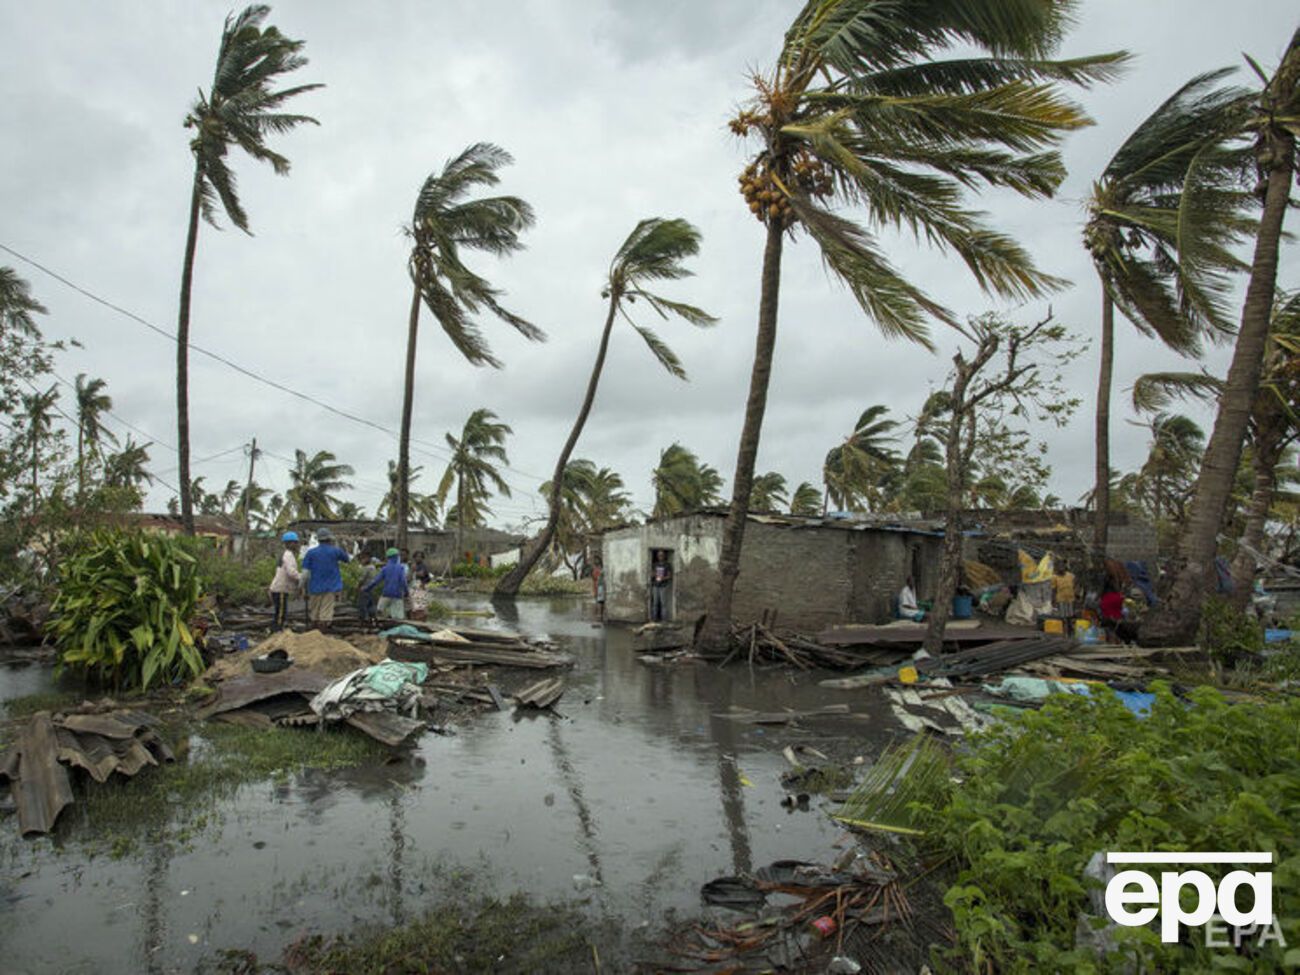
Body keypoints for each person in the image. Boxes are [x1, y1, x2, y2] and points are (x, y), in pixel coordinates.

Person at [301, 527, 351, 630]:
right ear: (330, 539)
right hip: (330, 587)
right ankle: (322, 634)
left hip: (314, 587)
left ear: (318, 539)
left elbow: (305, 573)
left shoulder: (311, 553)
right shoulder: (335, 551)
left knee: (314, 612)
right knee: (325, 613)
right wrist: (342, 546)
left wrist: (301, 586)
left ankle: (313, 633)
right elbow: (347, 559)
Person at [363, 547, 408, 621]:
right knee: (398, 617)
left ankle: (378, 625)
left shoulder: (385, 569)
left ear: (388, 558)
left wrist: (367, 588)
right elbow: (403, 581)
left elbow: (376, 581)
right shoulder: (400, 568)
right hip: (397, 595)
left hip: (386, 593)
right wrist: (406, 592)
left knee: (379, 611)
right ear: (396, 557)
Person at [268, 531, 301, 630]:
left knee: (280, 612)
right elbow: (291, 572)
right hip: (281, 589)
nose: (296, 545)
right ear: (288, 543)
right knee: (280, 614)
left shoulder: (286, 554)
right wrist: (302, 577)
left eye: (296, 542)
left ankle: (276, 630)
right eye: (294, 542)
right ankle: (276, 631)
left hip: (280, 588)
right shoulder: (288, 555)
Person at [356, 556, 381, 623]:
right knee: (371, 606)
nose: (361, 561)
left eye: (362, 559)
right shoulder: (373, 568)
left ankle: (364, 620)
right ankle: (373, 619)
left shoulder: (366, 568)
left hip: (365, 589)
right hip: (372, 589)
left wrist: (357, 587)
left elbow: (361, 579)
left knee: (362, 606)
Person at [650, 551, 672, 621]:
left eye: (662, 555)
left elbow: (670, 576)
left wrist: (663, 578)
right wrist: (654, 575)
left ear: (664, 556)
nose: (660, 557)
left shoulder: (667, 565)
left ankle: (664, 620)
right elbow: (651, 574)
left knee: (663, 604)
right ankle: (654, 619)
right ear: (657, 556)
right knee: (655, 603)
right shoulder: (655, 564)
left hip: (663, 586)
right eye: (659, 555)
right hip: (655, 586)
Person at [591, 557, 606, 622]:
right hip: (599, 586)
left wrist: (595, 590)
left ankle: (599, 615)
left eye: (593, 565)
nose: (593, 567)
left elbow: (596, 580)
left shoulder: (597, 571)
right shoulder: (600, 571)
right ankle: (600, 615)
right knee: (600, 601)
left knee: (599, 601)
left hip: (599, 587)